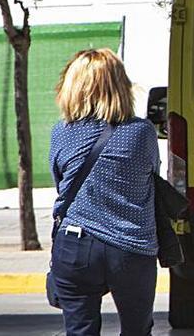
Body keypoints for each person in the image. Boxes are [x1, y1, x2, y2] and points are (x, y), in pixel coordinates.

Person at [48, 49, 160, 336]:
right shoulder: (141, 131)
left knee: (79, 329)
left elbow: (61, 183)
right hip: (130, 245)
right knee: (137, 329)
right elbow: (152, 176)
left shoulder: (61, 132)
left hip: (75, 244)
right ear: (120, 86)